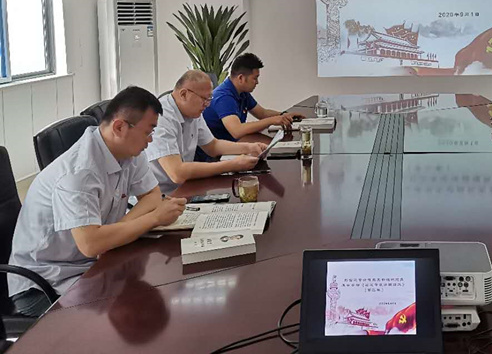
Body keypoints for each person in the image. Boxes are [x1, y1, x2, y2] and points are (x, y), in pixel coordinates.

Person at [7, 86, 187, 318]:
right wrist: (152, 219)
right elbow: (91, 244)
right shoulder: (79, 172)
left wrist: (115, 233)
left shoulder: (129, 152)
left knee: (154, 282)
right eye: (148, 132)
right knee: (122, 313)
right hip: (44, 283)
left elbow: (152, 194)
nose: (150, 140)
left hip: (88, 264)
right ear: (120, 127)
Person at [145, 70, 266, 195]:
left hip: (184, 187)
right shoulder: (162, 117)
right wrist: (232, 165)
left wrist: (250, 147)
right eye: (204, 99)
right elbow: (177, 173)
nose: (207, 105)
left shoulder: (192, 112)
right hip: (159, 195)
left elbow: (212, 146)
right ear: (184, 94)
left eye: (209, 99)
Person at [202, 53, 303, 145]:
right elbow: (237, 131)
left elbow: (262, 113)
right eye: (255, 78)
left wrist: (284, 115)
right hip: (217, 149)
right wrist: (272, 121)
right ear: (241, 78)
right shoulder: (223, 97)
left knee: (276, 144)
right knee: (272, 146)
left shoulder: (242, 92)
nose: (257, 82)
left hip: (231, 140)